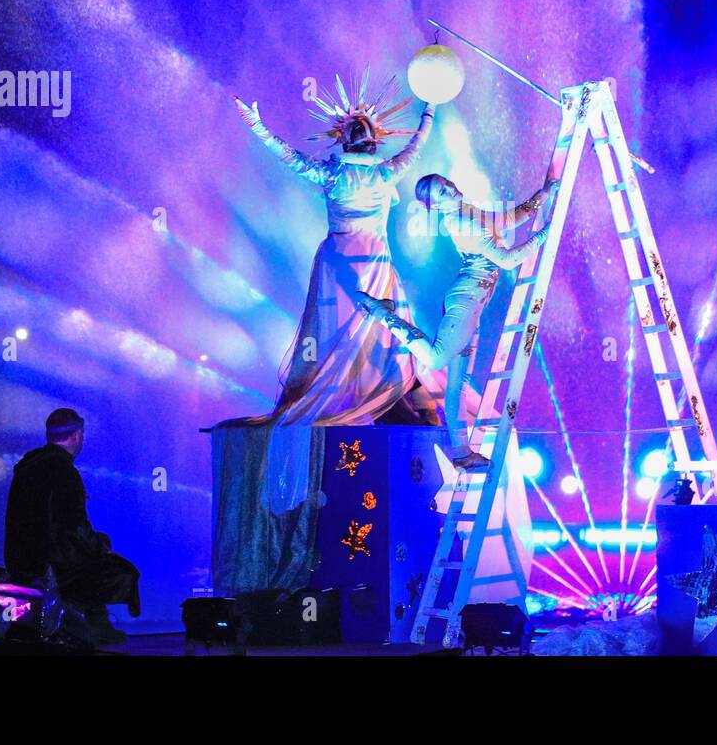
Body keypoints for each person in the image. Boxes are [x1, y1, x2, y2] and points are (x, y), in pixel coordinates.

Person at [213, 71, 468, 596]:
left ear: (345, 139)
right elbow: (417, 148)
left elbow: (287, 157)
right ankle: (379, 395)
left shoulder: (332, 174)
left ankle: (352, 394)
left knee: (340, 338)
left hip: (339, 264)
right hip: (371, 260)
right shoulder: (384, 174)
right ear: (372, 139)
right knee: (381, 334)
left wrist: (258, 125)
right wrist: (430, 110)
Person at [355, 173, 559, 468]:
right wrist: (545, 235)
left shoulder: (468, 212)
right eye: (442, 191)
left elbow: (510, 218)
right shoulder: (464, 221)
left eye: (447, 183)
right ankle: (383, 314)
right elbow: (507, 260)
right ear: (435, 206)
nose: (451, 188)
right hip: (466, 302)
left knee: (457, 384)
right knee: (436, 360)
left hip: (470, 300)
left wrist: (543, 194)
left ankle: (462, 453)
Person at [4, 408, 140, 646]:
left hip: (20, 560)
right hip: (48, 566)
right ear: (77, 435)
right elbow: (71, 528)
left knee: (92, 553)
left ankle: (90, 623)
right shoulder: (64, 472)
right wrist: (100, 546)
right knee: (121, 571)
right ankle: (86, 625)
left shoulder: (28, 466)